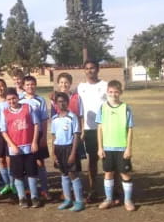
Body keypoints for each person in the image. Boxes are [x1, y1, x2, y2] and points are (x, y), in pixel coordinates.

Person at [97, 80, 135, 211]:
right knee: (108, 173)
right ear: (107, 92)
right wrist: (100, 147)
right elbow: (100, 129)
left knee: (125, 174)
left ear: (121, 93)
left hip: (122, 148)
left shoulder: (126, 108)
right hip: (107, 148)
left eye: (116, 92)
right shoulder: (102, 108)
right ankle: (108, 199)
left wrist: (129, 148)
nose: (113, 94)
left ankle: (128, 200)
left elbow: (130, 129)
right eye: (111, 92)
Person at [1, 88, 40, 208]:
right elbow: (4, 131)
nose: (11, 101)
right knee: (17, 175)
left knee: (31, 173)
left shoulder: (27, 108)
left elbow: (36, 125)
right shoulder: (5, 112)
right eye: (9, 99)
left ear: (17, 97)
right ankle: (21, 197)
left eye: (13, 98)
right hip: (15, 149)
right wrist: (12, 145)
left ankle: (34, 197)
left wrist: (34, 142)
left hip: (29, 147)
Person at [77, 60, 107, 203]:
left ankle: (114, 190)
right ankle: (93, 190)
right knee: (92, 162)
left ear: (98, 69)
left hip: (105, 129)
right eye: (87, 69)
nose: (90, 71)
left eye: (92, 68)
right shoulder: (81, 87)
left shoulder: (105, 85)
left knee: (109, 161)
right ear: (84, 71)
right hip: (89, 130)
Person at [20, 75, 51, 201]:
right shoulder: (20, 100)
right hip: (24, 136)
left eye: (32, 84)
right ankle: (28, 189)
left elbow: (44, 119)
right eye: (27, 84)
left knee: (40, 162)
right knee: (26, 163)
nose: (30, 87)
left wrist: (43, 137)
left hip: (38, 136)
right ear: (23, 86)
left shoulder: (40, 100)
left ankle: (44, 189)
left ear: (35, 85)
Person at [51, 92, 84, 212]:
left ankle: (80, 201)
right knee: (63, 174)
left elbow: (76, 135)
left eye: (64, 101)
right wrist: (54, 153)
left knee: (73, 174)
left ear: (68, 102)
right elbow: (54, 137)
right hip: (59, 149)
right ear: (56, 104)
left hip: (69, 148)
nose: (61, 104)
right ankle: (67, 199)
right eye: (59, 102)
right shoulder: (54, 119)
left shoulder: (72, 117)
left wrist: (73, 153)